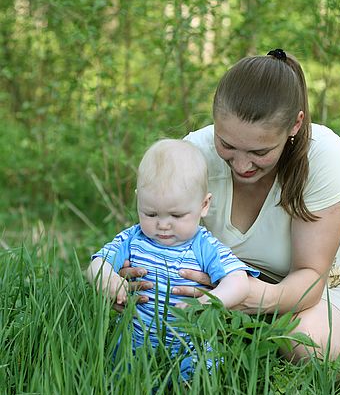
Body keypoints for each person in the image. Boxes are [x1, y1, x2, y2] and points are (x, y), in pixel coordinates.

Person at [120, 49, 340, 363]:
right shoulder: (194, 155)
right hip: (238, 292)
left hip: (338, 290)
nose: (240, 164)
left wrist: (239, 294)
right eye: (227, 144)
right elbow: (159, 237)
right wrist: (136, 277)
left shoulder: (322, 156)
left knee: (301, 341)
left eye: (259, 151)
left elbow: (310, 280)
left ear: (294, 125)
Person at [87, 138, 259, 377]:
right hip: (136, 341)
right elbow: (97, 263)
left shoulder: (204, 245)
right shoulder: (132, 238)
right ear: (139, 200)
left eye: (177, 215)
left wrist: (208, 302)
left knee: (203, 365)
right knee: (120, 369)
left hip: (190, 342)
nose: (163, 225)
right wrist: (106, 277)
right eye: (151, 213)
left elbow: (238, 281)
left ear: (204, 205)